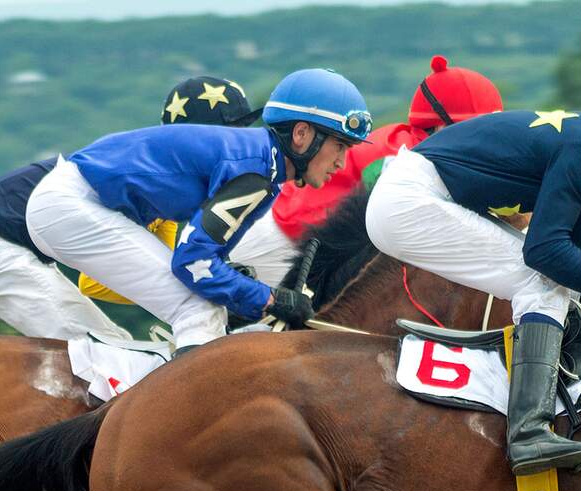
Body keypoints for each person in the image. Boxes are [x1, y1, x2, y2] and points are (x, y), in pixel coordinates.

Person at [366, 55, 581, 474]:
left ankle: (537, 407)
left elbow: (570, 262)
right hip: (409, 200)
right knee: (544, 282)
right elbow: (546, 258)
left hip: (421, 194)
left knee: (558, 286)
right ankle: (528, 432)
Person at [23, 69, 371, 351]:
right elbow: (192, 263)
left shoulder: (263, 167)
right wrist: (270, 298)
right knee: (197, 308)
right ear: (301, 134)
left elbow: (202, 258)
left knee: (204, 304)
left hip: (68, 204)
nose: (342, 162)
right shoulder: (256, 172)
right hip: (72, 206)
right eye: (339, 145)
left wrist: (248, 291)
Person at [0, 76, 257, 341]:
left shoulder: (166, 173)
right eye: (234, 136)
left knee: (116, 345)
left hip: (13, 240)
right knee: (101, 350)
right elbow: (95, 284)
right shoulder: (158, 182)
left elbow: (162, 268)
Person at [229, 55, 503, 284]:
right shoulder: (403, 157)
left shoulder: (412, 144)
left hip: (297, 232)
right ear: (443, 126)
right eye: (479, 131)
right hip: (282, 242)